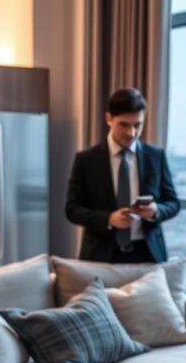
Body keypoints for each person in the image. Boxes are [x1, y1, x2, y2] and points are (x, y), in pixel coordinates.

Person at [66, 87, 180, 263]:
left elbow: (173, 203)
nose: (131, 133)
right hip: (101, 256)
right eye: (124, 125)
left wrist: (156, 211)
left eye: (137, 125)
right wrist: (109, 219)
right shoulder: (86, 160)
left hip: (147, 254)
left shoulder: (156, 157)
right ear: (108, 119)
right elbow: (72, 209)